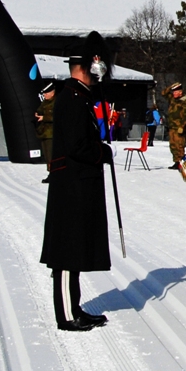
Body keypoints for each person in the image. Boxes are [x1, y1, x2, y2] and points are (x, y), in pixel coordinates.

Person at [40, 31, 114, 332]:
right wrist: (102, 151)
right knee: (68, 252)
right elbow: (76, 146)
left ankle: (75, 307)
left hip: (78, 184)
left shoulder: (79, 97)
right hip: (72, 185)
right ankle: (67, 315)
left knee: (76, 248)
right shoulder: (71, 98)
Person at [162, 82, 186, 169]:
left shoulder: (185, 101)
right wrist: (171, 86)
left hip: (179, 128)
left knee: (180, 146)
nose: (173, 93)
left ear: (180, 92)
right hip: (172, 127)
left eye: (175, 92)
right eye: (173, 92)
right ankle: (176, 162)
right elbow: (163, 93)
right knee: (173, 146)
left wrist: (182, 126)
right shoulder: (173, 99)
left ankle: (181, 163)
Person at [34, 81, 57, 183]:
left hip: (52, 133)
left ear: (52, 93)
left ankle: (54, 173)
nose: (44, 95)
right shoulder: (46, 102)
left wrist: (44, 117)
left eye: (46, 93)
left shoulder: (56, 102)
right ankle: (51, 172)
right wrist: (38, 114)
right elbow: (41, 110)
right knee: (47, 155)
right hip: (44, 133)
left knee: (52, 155)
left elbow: (58, 116)